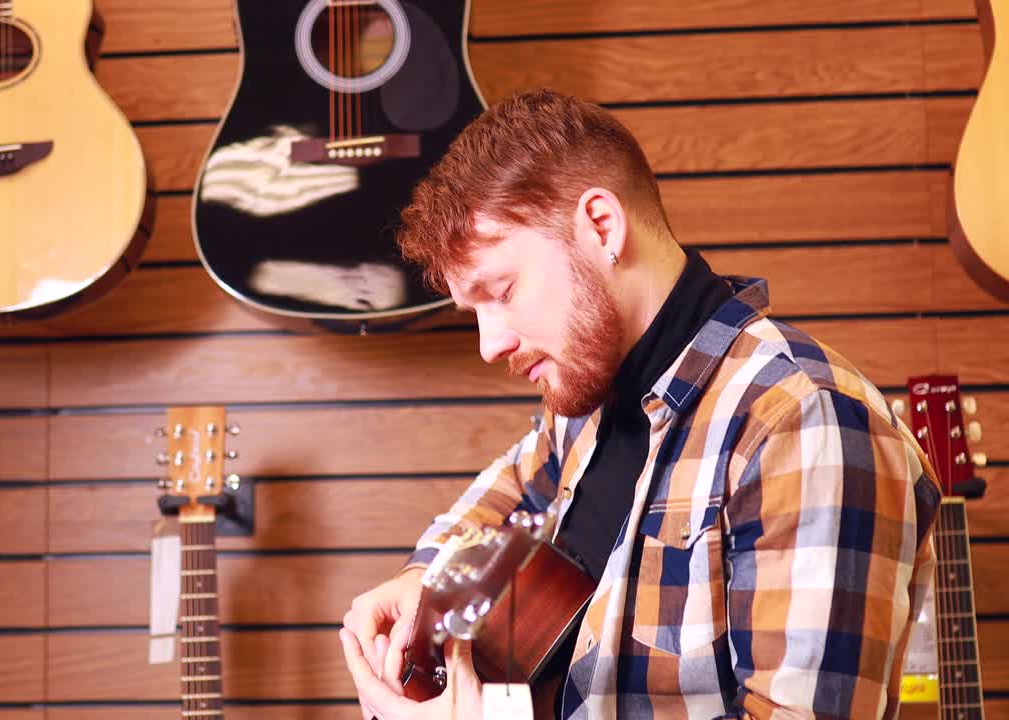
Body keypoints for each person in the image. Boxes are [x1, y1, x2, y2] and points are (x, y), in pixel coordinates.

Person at [337, 88, 942, 719]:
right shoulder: (586, 396)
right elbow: (516, 490)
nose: (491, 345)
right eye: (475, 312)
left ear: (601, 225)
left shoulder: (804, 420)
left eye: (504, 290)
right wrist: (423, 582)